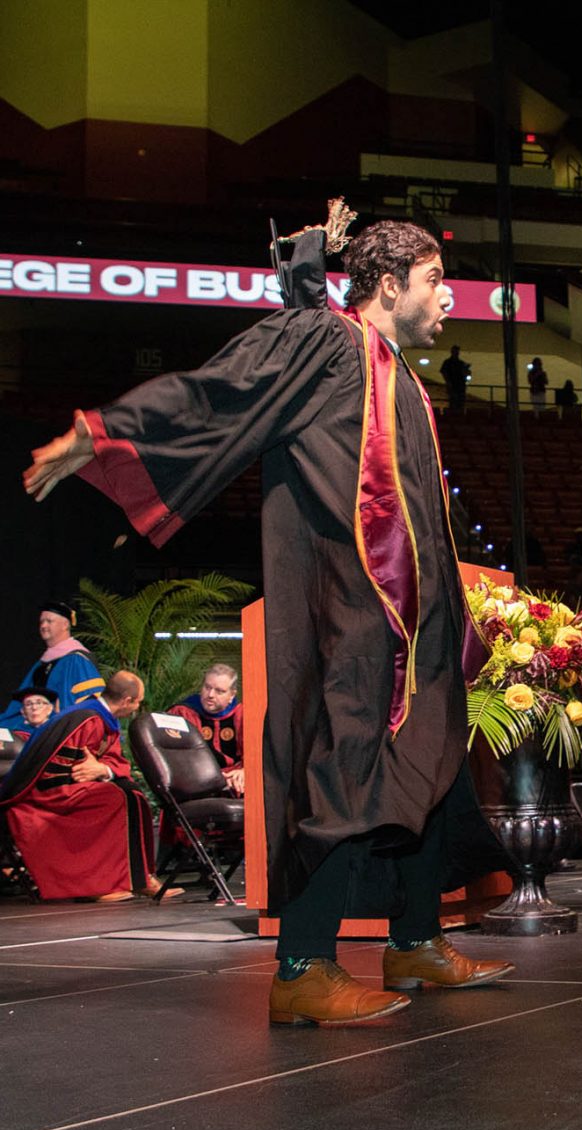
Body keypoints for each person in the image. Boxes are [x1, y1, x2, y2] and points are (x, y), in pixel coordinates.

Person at [23, 217, 512, 1026]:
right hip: (351, 613)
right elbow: (227, 384)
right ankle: (303, 969)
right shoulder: (331, 344)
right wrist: (103, 431)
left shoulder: (395, 371)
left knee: (430, 769)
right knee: (343, 779)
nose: (446, 298)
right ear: (389, 286)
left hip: (413, 623)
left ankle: (415, 939)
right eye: (434, 280)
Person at [0, 671, 181, 901]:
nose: (136, 708)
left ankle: (138, 877)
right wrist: (93, 771)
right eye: (137, 702)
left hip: (71, 787)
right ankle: (99, 886)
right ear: (126, 701)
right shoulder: (85, 720)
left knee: (130, 794)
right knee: (117, 798)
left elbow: (117, 764)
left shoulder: (104, 720)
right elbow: (57, 774)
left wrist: (103, 770)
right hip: (48, 794)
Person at [0, 602, 104, 729]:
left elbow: (90, 698)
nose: (43, 626)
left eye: (49, 621)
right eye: (41, 622)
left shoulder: (76, 659)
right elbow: (20, 700)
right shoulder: (44, 661)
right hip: (33, 721)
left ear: (65, 625)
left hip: (58, 726)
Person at [168, 664, 245, 796]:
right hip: (197, 781)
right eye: (207, 687)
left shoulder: (243, 714)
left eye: (219, 691)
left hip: (235, 778)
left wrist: (244, 771)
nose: (210, 695)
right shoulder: (182, 713)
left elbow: (257, 756)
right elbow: (177, 760)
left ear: (232, 695)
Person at [438, 345, 470, 414]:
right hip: (453, 385)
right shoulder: (448, 363)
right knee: (454, 401)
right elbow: (444, 372)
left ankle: (458, 415)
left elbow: (466, 374)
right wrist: (448, 382)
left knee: (460, 402)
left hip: (460, 386)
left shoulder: (461, 363)